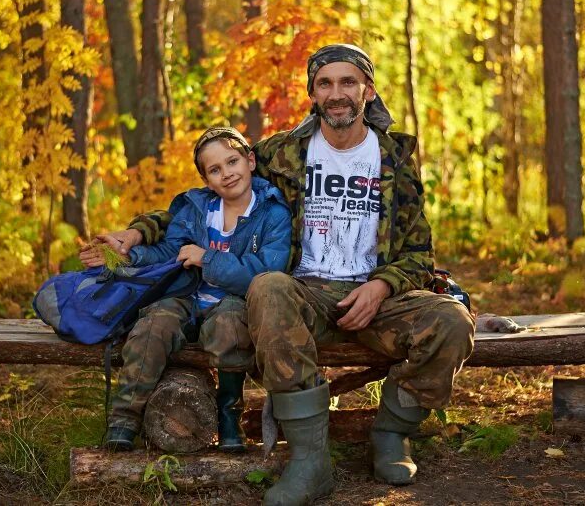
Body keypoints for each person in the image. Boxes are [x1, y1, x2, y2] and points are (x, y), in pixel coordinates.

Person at [92, 45, 475, 505]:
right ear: (313, 94)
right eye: (325, 83)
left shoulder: (394, 160)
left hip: (376, 297)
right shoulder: (282, 154)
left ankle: (392, 433)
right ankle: (310, 459)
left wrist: (381, 285)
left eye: (347, 82)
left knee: (452, 321)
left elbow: (418, 253)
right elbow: (209, 196)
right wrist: (137, 233)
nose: (337, 94)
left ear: (367, 91)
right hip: (302, 295)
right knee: (268, 285)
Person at [82, 126, 291, 453]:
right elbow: (169, 251)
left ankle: (228, 418)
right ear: (207, 180)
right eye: (215, 170)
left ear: (250, 160)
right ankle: (124, 419)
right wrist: (126, 255)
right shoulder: (197, 209)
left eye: (232, 161)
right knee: (153, 324)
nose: (227, 174)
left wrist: (208, 258)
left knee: (230, 328)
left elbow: (265, 271)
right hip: (187, 296)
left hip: (232, 302)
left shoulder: (272, 213)